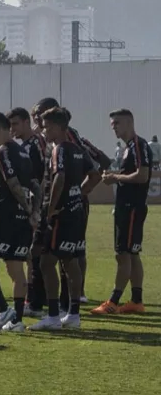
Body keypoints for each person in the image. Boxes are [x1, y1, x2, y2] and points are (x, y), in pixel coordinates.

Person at [32, 98, 110, 304]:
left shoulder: (65, 144)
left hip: (62, 208)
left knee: (58, 257)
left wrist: (56, 205)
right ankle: (71, 305)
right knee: (70, 255)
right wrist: (78, 193)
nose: (40, 123)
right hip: (72, 205)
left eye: (42, 117)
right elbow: (96, 170)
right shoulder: (68, 144)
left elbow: (61, 177)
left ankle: (58, 307)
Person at [0, 112, 41, 334]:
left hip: (3, 216)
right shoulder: (24, 152)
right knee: (16, 269)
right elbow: (36, 185)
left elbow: (13, 183)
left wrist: (26, 206)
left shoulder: (2, 152)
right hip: (22, 221)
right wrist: (34, 212)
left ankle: (3, 309)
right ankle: (17, 321)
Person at [92, 108, 151, 315]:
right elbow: (132, 174)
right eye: (112, 125)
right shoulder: (129, 148)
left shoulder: (138, 145)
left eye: (117, 123)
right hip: (128, 207)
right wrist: (115, 175)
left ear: (128, 122)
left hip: (131, 208)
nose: (114, 128)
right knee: (132, 254)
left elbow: (142, 176)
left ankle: (113, 302)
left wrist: (115, 178)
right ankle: (136, 300)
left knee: (123, 255)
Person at [7, 107, 48, 318]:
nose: (12, 129)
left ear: (25, 122)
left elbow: (41, 177)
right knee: (31, 253)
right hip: (30, 205)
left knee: (34, 254)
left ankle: (34, 300)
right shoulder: (26, 145)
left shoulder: (36, 144)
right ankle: (34, 298)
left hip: (36, 206)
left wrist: (36, 209)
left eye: (15, 124)